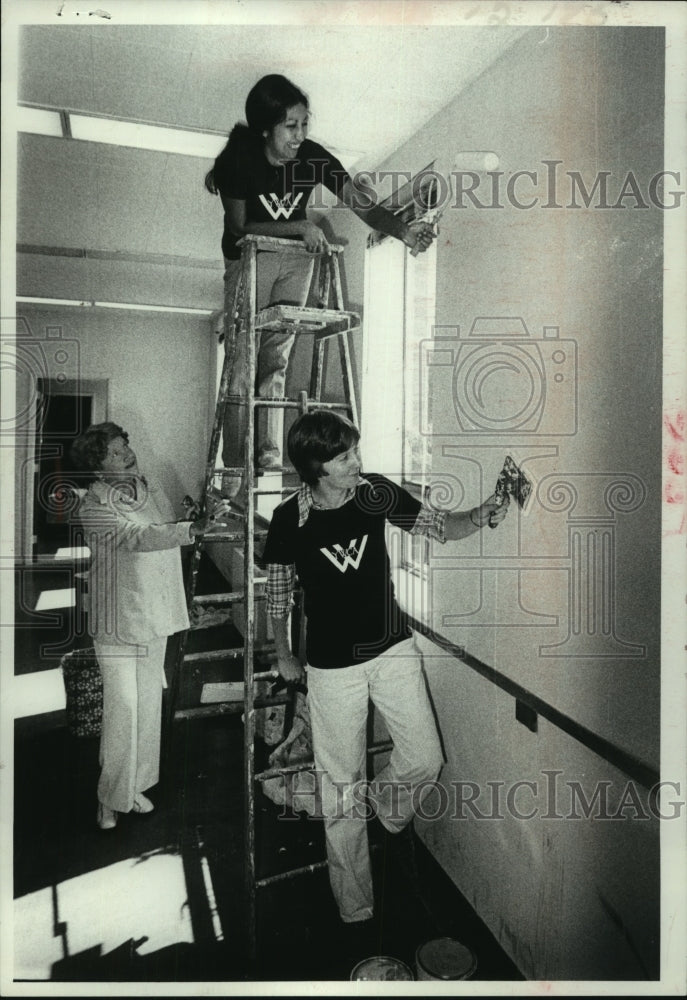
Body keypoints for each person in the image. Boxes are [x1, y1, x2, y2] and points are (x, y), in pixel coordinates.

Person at [261, 410, 509, 934]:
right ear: (316, 468)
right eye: (345, 457)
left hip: (392, 648)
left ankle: (389, 811)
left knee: (424, 757)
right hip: (330, 669)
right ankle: (356, 910)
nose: (358, 463)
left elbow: (437, 527)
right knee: (339, 788)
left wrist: (483, 512)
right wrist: (281, 651)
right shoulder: (290, 519)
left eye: (355, 451)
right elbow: (278, 590)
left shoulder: (374, 492)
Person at [204, 73, 436, 486]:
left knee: (276, 357)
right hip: (249, 255)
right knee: (243, 362)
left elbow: (363, 206)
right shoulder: (238, 160)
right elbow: (240, 227)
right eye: (290, 126)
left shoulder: (313, 157)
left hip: (297, 256)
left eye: (304, 124)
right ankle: (236, 470)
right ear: (265, 128)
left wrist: (404, 233)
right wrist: (298, 226)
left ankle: (267, 457)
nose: (300, 135)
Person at [70, 422, 231, 830]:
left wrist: (200, 513)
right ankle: (108, 797)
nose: (126, 453)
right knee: (123, 706)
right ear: (98, 467)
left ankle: (135, 786)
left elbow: (172, 521)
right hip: (117, 618)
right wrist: (188, 530)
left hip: (154, 610)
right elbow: (137, 538)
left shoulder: (149, 485)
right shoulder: (94, 505)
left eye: (125, 444)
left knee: (147, 702)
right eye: (113, 451)